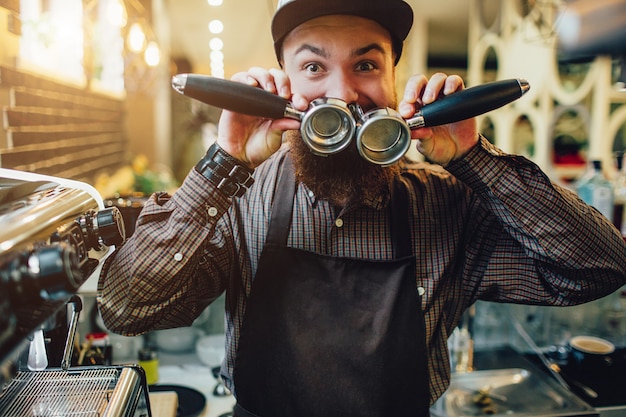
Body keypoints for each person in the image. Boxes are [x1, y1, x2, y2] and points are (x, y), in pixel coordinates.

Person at [98, 0, 626, 416]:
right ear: (283, 83)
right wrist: (224, 166)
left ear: (395, 77)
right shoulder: (239, 200)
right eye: (313, 66)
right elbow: (127, 308)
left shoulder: (444, 204)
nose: (343, 93)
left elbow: (599, 270)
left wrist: (474, 158)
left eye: (366, 64)